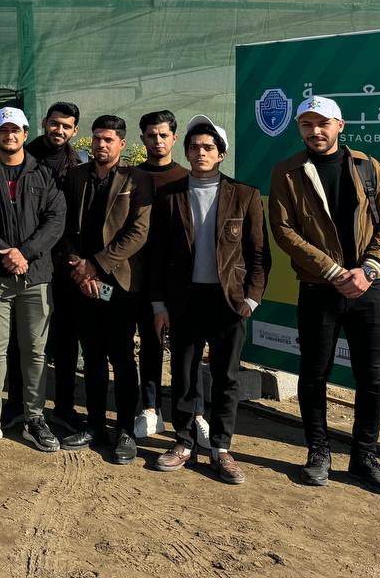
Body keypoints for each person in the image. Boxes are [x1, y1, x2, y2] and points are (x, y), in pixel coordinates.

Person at [269, 96, 380, 494]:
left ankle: (364, 459)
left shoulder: (367, 167)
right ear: (300, 129)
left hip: (370, 288)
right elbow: (285, 230)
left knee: (373, 378)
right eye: (307, 125)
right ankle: (319, 453)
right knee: (313, 375)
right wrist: (331, 270)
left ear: (340, 125)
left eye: (323, 123)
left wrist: (369, 268)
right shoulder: (287, 172)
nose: (316, 131)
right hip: (318, 288)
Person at [150, 116, 271, 485]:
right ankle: (183, 442)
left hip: (228, 302)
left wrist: (251, 300)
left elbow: (258, 253)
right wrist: (159, 305)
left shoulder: (244, 194)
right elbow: (156, 254)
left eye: (207, 148)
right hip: (184, 300)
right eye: (194, 147)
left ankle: (221, 447)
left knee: (226, 377)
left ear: (220, 154)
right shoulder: (170, 196)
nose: (200, 153)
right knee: (184, 375)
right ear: (185, 152)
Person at [0, 107, 66, 453]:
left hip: (35, 277)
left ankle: (35, 418)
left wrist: (26, 252)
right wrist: (5, 251)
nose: (10, 136)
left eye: (16, 130)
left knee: (35, 352)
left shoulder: (42, 172)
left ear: (24, 133)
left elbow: (55, 219)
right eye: (4, 131)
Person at [58, 114, 152, 464]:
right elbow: (64, 224)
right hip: (83, 284)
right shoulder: (77, 176)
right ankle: (96, 425)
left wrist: (96, 265)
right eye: (97, 138)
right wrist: (79, 269)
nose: (101, 144)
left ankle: (125, 430)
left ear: (122, 144)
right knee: (93, 357)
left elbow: (138, 232)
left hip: (119, 286)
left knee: (123, 358)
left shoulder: (136, 179)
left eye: (108, 139)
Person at [19, 101, 85, 432]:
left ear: (74, 131)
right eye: (55, 123)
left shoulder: (79, 163)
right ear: (45, 122)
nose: (59, 130)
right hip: (31, 260)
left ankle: (64, 405)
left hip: (67, 263)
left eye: (67, 126)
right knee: (28, 338)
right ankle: (22, 405)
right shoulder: (24, 156)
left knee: (66, 335)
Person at [133, 110, 189, 441]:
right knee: (149, 345)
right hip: (138, 279)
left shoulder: (185, 177)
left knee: (184, 347)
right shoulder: (131, 176)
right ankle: (150, 409)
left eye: (163, 135)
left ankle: (192, 413)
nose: (157, 141)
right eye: (151, 135)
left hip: (178, 280)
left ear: (174, 137)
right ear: (142, 139)